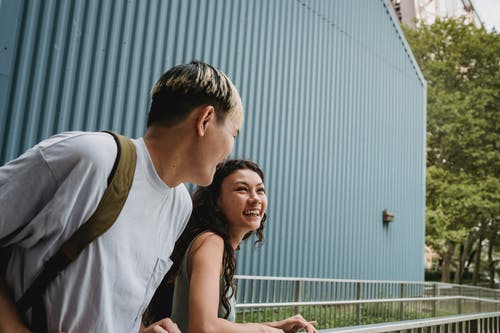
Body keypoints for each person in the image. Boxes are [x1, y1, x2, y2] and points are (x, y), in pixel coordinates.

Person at [0, 61, 243, 333]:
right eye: (234, 133)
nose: (230, 152)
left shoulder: (180, 205)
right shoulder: (92, 158)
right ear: (205, 119)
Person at [144, 159, 317, 333]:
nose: (255, 198)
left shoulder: (215, 245)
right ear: (217, 201)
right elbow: (204, 327)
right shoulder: (211, 242)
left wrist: (275, 325)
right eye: (242, 189)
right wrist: (267, 331)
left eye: (260, 190)